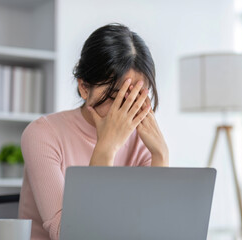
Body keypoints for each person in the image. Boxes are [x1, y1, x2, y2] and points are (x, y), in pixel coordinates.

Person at [18, 23, 169, 240]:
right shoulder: (42, 134)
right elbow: (70, 234)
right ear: (84, 87)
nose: (125, 108)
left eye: (135, 95)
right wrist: (106, 148)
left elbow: (154, 230)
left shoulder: (142, 142)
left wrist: (161, 155)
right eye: (115, 94)